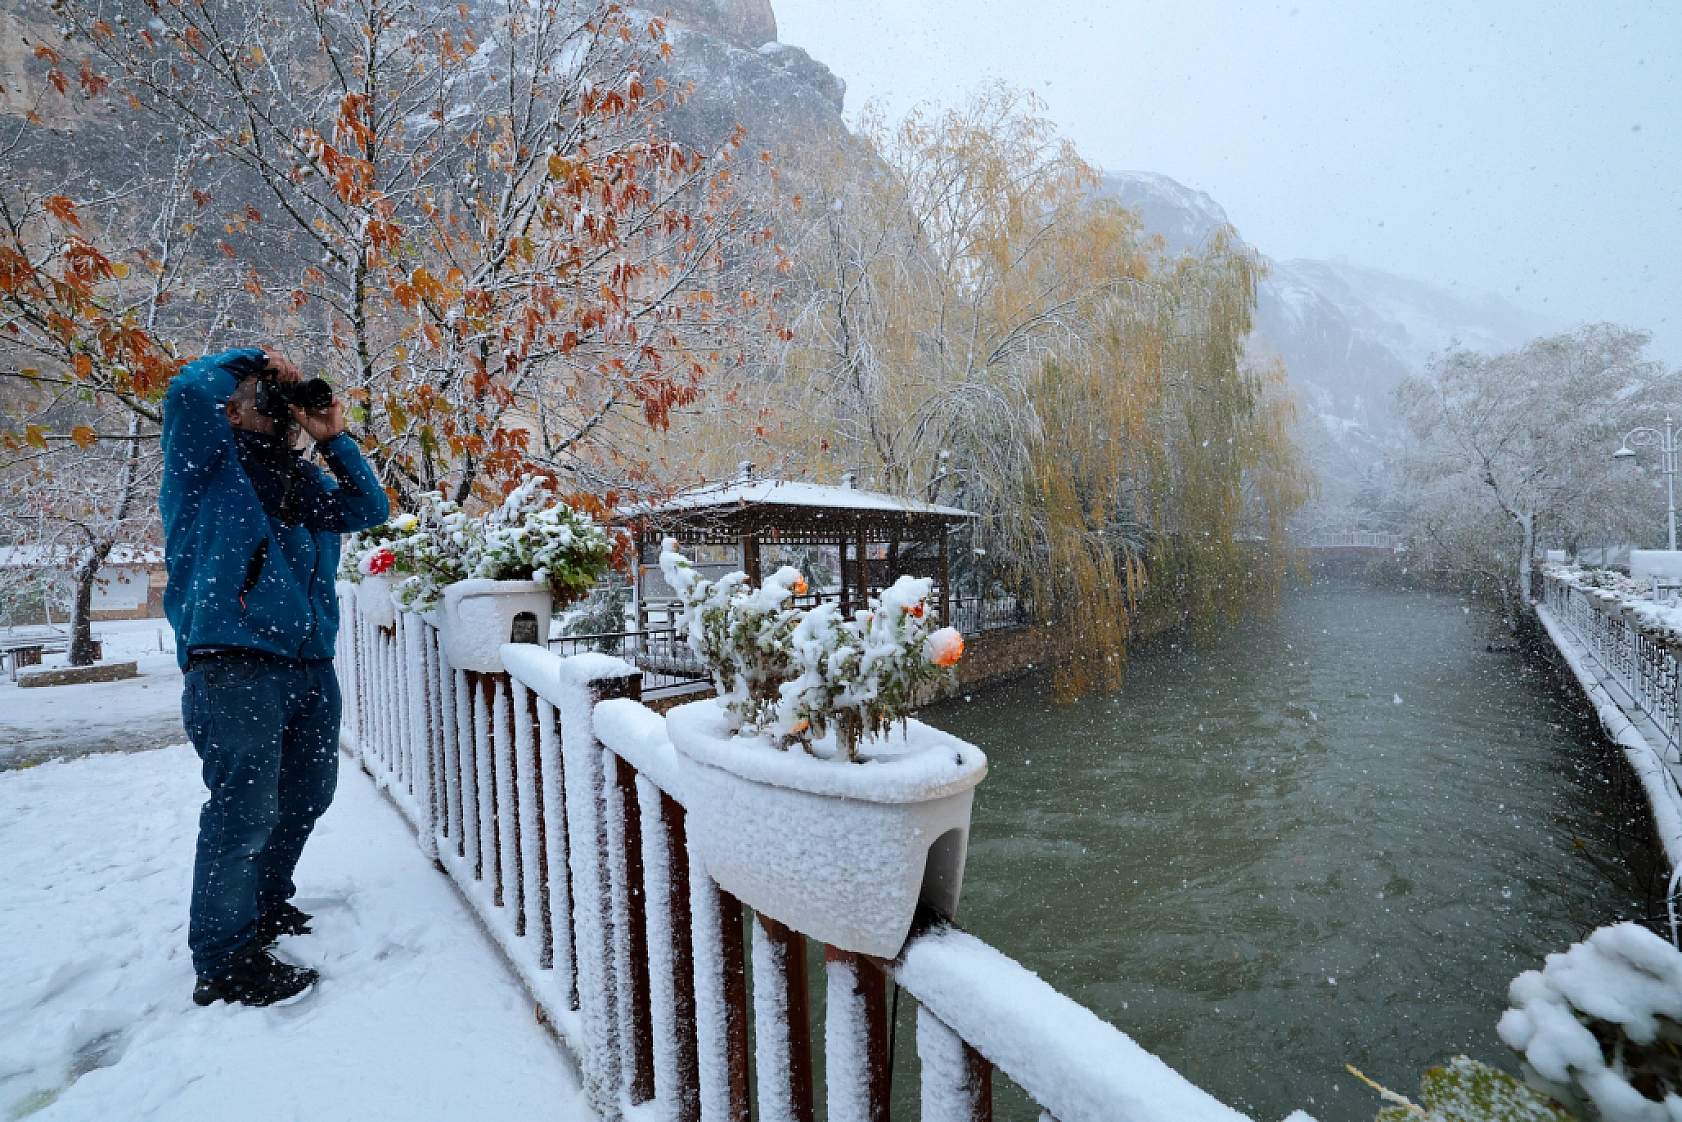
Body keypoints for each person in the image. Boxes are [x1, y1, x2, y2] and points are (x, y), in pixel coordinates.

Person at [160, 347, 389, 1006]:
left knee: (309, 794)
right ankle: (224, 960)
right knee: (245, 812)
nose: (282, 407)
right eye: (268, 397)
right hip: (235, 663)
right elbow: (187, 393)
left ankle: (261, 904)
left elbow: (369, 508)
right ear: (233, 409)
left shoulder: (303, 480)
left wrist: (333, 439)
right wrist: (254, 361)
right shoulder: (207, 468)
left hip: (309, 663)